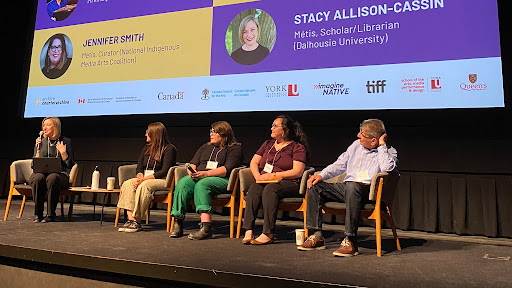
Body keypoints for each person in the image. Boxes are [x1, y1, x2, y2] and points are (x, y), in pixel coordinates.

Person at [298, 119, 398, 257]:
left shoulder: (388, 152)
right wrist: (321, 176)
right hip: (346, 188)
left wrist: (381, 146)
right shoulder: (356, 146)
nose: (358, 135)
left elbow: (388, 169)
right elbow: (340, 164)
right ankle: (317, 235)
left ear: (374, 140)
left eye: (362, 134)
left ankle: (350, 240)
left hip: (368, 193)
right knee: (315, 186)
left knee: (352, 186)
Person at [241, 115, 309, 245]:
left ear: (285, 130)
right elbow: (253, 163)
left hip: (288, 182)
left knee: (270, 189)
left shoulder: (296, 147)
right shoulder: (268, 144)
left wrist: (274, 176)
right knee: (254, 189)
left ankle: (268, 233)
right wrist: (258, 177)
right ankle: (248, 230)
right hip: (264, 180)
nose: (271, 128)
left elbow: (297, 171)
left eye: (275, 126)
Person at [170, 121, 243, 240]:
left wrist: (206, 174)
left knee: (202, 184)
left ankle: (206, 228)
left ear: (224, 134)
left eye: (215, 132)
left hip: (223, 180)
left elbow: (226, 169)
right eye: (211, 131)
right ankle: (178, 223)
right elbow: (193, 164)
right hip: (200, 176)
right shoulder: (205, 147)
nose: (211, 134)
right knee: (183, 183)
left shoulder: (234, 149)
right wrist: (191, 172)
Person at [117, 122, 177, 232]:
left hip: (163, 180)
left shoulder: (169, 149)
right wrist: (140, 177)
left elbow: (164, 171)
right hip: (145, 178)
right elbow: (139, 167)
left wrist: (143, 180)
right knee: (128, 183)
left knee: (144, 185)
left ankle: (137, 221)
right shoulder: (147, 148)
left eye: (147, 132)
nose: (145, 135)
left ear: (154, 134)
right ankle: (130, 220)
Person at [30, 117, 75, 223]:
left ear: (55, 127)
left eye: (48, 125)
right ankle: (38, 214)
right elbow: (33, 165)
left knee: (52, 177)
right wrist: (38, 151)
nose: (45, 128)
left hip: (60, 175)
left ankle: (51, 214)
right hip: (41, 173)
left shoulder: (65, 141)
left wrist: (63, 153)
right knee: (37, 178)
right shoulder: (41, 141)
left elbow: (70, 164)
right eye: (43, 125)